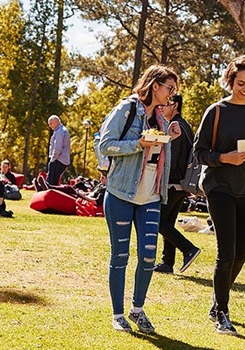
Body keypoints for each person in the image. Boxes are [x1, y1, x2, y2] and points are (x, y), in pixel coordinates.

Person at [194, 55, 245, 335]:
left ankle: (217, 300)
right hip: (220, 188)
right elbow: (199, 153)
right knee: (226, 253)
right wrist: (224, 158)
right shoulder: (216, 111)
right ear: (230, 80)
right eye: (240, 83)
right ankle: (222, 312)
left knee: (241, 254)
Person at [98, 64, 181, 333]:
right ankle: (118, 314)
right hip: (121, 193)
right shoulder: (127, 108)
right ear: (155, 85)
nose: (172, 94)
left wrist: (170, 136)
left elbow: (157, 156)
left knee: (148, 257)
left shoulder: (160, 118)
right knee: (120, 256)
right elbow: (105, 145)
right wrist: (138, 144)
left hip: (151, 196)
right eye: (170, 88)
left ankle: (137, 309)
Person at [154, 93, 201, 274]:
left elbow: (171, 160)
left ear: (176, 106)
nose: (163, 106)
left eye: (168, 103)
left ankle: (188, 249)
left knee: (158, 222)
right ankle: (167, 263)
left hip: (173, 184)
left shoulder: (176, 127)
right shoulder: (184, 125)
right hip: (181, 185)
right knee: (168, 223)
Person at [46, 115, 71, 186]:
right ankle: (45, 187)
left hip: (58, 159)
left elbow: (58, 147)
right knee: (54, 179)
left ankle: (46, 189)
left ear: (56, 122)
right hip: (61, 159)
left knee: (52, 180)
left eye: (51, 123)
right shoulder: (61, 130)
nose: (50, 126)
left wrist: (52, 159)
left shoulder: (59, 131)